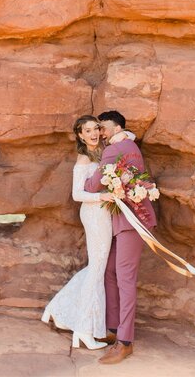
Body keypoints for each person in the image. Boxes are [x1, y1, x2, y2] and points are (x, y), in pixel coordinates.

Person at [84, 110, 157, 365]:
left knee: (124, 279)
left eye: (102, 128)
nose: (100, 133)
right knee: (110, 273)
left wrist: (85, 182)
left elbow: (93, 185)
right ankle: (114, 329)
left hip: (132, 221)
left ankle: (125, 342)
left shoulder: (115, 148)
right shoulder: (129, 145)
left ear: (116, 128)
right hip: (123, 221)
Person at [41, 115, 114, 350]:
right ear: (80, 135)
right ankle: (83, 329)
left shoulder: (101, 152)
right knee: (97, 269)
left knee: (96, 268)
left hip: (102, 213)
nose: (93, 134)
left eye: (96, 129)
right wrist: (101, 196)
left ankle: (63, 311)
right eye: (87, 131)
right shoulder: (83, 159)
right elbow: (76, 194)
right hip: (93, 213)